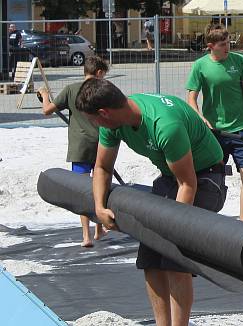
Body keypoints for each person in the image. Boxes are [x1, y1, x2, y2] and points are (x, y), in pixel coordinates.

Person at [76, 79, 226, 326]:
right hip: (171, 177)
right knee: (150, 258)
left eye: (93, 120)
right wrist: (99, 207)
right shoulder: (112, 122)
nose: (94, 125)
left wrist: (174, 227)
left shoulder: (164, 125)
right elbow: (102, 167)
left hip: (206, 178)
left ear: (103, 113)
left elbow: (188, 184)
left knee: (174, 259)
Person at [186, 25, 243, 223]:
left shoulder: (239, 61)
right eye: (223, 45)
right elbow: (191, 98)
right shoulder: (200, 66)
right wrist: (200, 118)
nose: (227, 48)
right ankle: (207, 220)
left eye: (228, 43)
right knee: (212, 176)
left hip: (242, 127)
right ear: (210, 46)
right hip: (215, 132)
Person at [38, 55, 110, 247]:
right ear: (99, 73)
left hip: (80, 147)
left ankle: (86, 236)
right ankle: (99, 227)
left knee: (82, 189)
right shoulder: (102, 90)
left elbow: (47, 110)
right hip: (102, 145)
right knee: (100, 186)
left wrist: (45, 95)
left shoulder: (71, 90)